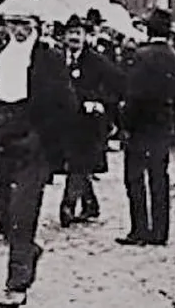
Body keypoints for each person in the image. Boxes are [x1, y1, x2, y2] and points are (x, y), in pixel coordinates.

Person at [0, 0, 77, 308]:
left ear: (36, 24)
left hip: (33, 134)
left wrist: (50, 139)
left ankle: (17, 283)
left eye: (24, 24)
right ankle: (26, 249)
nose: (18, 30)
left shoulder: (49, 56)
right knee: (3, 204)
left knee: (24, 211)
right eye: (12, 24)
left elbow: (65, 101)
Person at [117, 8, 175, 247]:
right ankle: (160, 231)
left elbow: (133, 95)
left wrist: (125, 124)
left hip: (140, 125)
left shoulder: (140, 56)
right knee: (159, 177)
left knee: (135, 177)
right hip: (163, 124)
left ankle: (139, 229)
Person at [56, 15, 118, 228]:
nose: (74, 38)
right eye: (70, 33)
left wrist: (100, 102)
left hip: (89, 122)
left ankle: (68, 205)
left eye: (78, 33)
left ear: (85, 37)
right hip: (65, 121)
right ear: (64, 36)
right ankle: (90, 204)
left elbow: (116, 85)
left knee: (78, 161)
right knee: (78, 163)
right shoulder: (56, 59)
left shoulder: (97, 61)